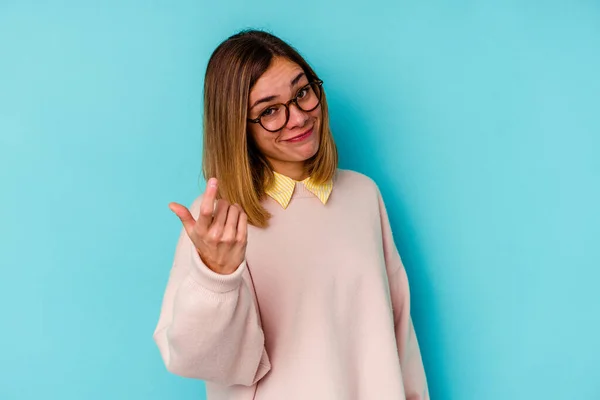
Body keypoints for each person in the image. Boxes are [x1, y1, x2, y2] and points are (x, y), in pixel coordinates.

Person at [153, 29, 429, 400]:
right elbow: (198, 359)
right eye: (269, 111)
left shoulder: (362, 195)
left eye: (302, 92)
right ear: (238, 128)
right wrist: (216, 278)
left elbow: (399, 335)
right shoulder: (219, 226)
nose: (298, 117)